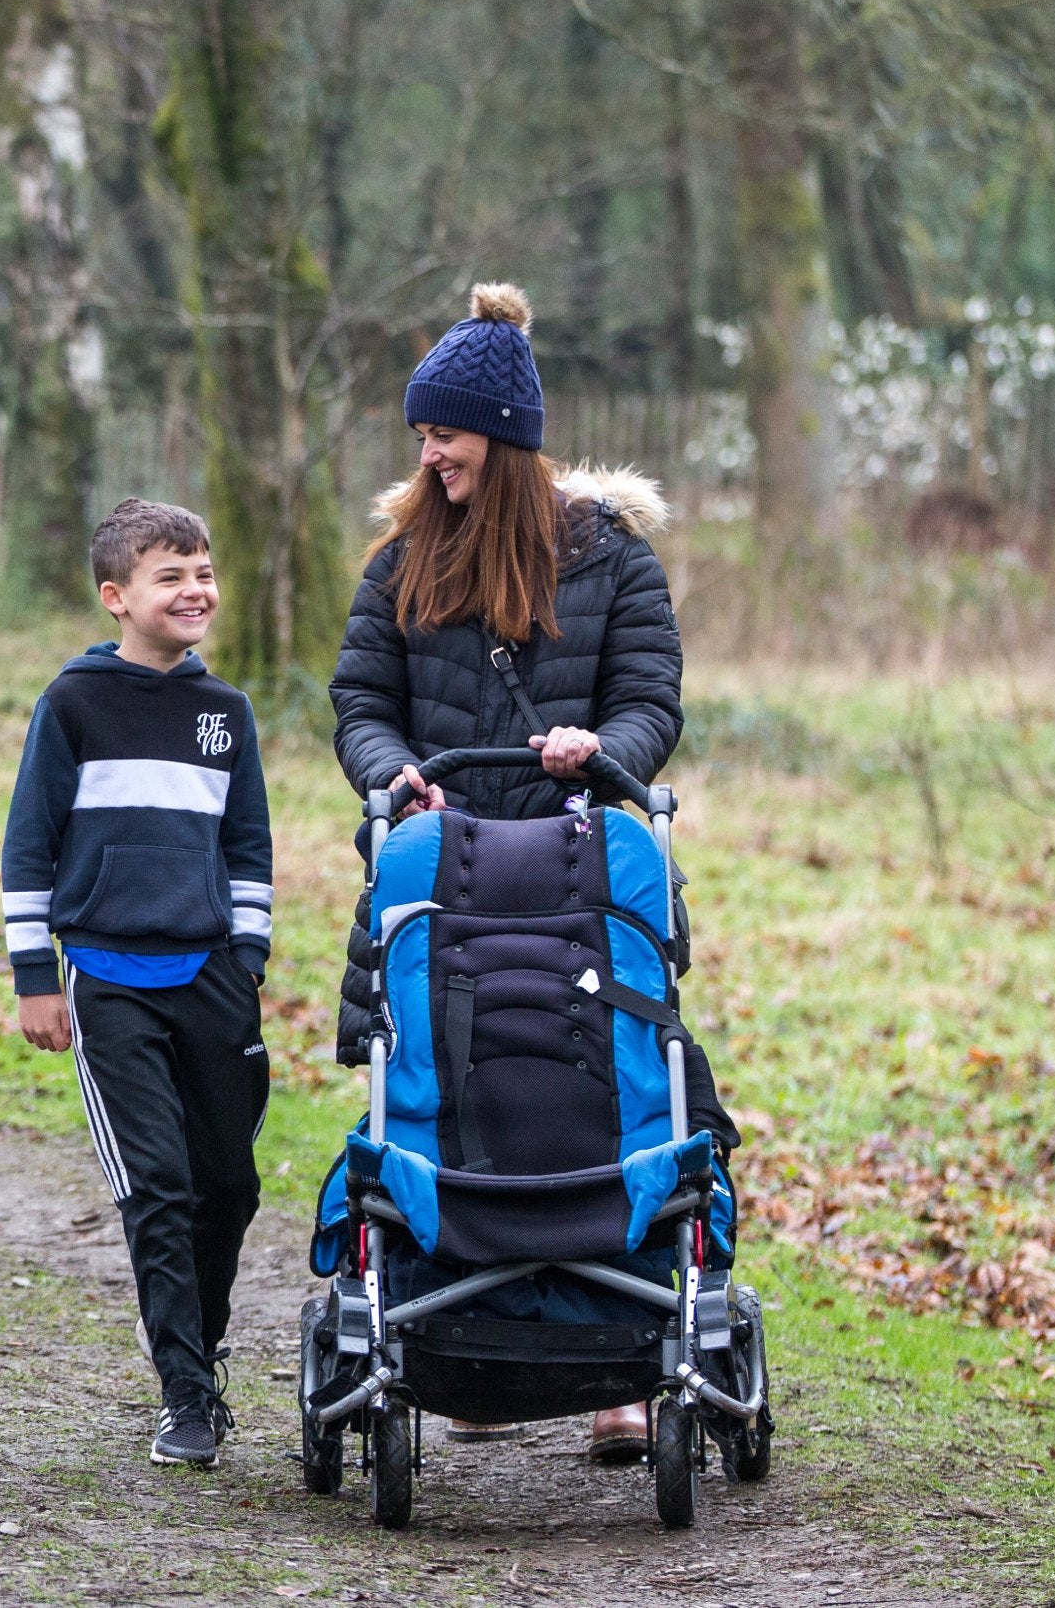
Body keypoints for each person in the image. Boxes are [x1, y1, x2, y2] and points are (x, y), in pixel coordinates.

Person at [326, 281, 708, 1464]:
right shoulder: (400, 566)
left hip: (580, 867)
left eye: (445, 433)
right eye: (425, 436)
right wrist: (396, 780)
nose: (430, 454)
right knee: (446, 1082)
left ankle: (622, 1364)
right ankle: (469, 1343)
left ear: (503, 436)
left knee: (604, 1084)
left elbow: (650, 700)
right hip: (443, 868)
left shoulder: (613, 564)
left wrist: (604, 754)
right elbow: (361, 704)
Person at [2, 499, 273, 1469]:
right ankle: (186, 1391)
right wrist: (38, 978)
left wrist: (247, 962)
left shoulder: (225, 713)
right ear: (117, 596)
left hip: (212, 979)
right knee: (157, 1187)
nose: (195, 588)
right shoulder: (73, 705)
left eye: (203, 570)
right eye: (172, 574)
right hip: (109, 979)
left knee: (227, 1185)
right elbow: (29, 847)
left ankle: (200, 1346)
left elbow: (247, 848)